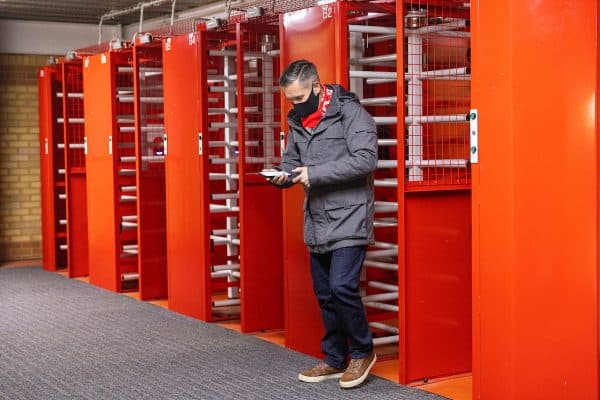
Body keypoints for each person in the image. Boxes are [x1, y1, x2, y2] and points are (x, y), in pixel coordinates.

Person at [265, 59, 378, 389]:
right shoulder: (297, 118)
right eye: (290, 101)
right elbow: (292, 157)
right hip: (317, 218)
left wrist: (313, 174)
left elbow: (365, 159)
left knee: (342, 286)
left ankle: (363, 351)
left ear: (317, 87)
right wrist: (284, 175)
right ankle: (334, 358)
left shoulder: (351, 114)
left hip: (350, 215)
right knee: (326, 294)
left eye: (299, 99)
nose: (295, 106)